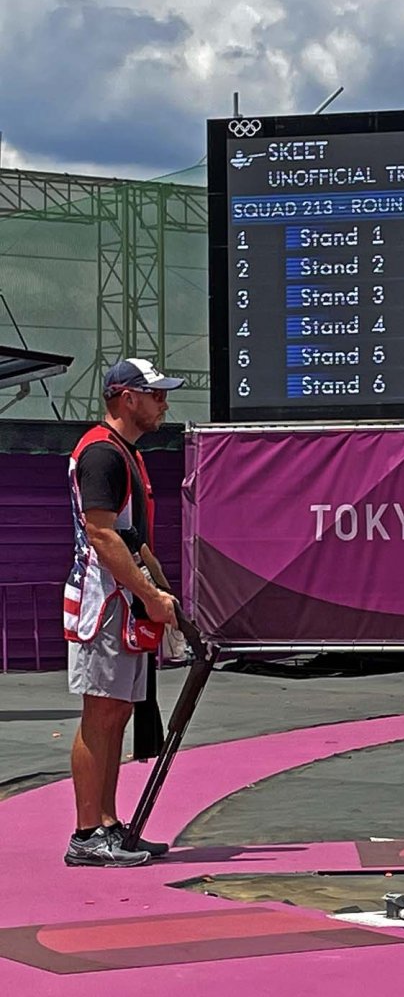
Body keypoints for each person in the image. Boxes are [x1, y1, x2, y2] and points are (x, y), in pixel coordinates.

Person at [62, 357, 185, 867]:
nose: (164, 403)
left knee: (116, 712)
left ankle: (107, 825)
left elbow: (131, 537)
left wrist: (159, 589)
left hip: (122, 600)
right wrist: (151, 594)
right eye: (156, 395)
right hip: (105, 602)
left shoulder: (123, 452)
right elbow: (102, 534)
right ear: (127, 397)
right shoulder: (103, 454)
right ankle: (86, 833)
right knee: (101, 714)